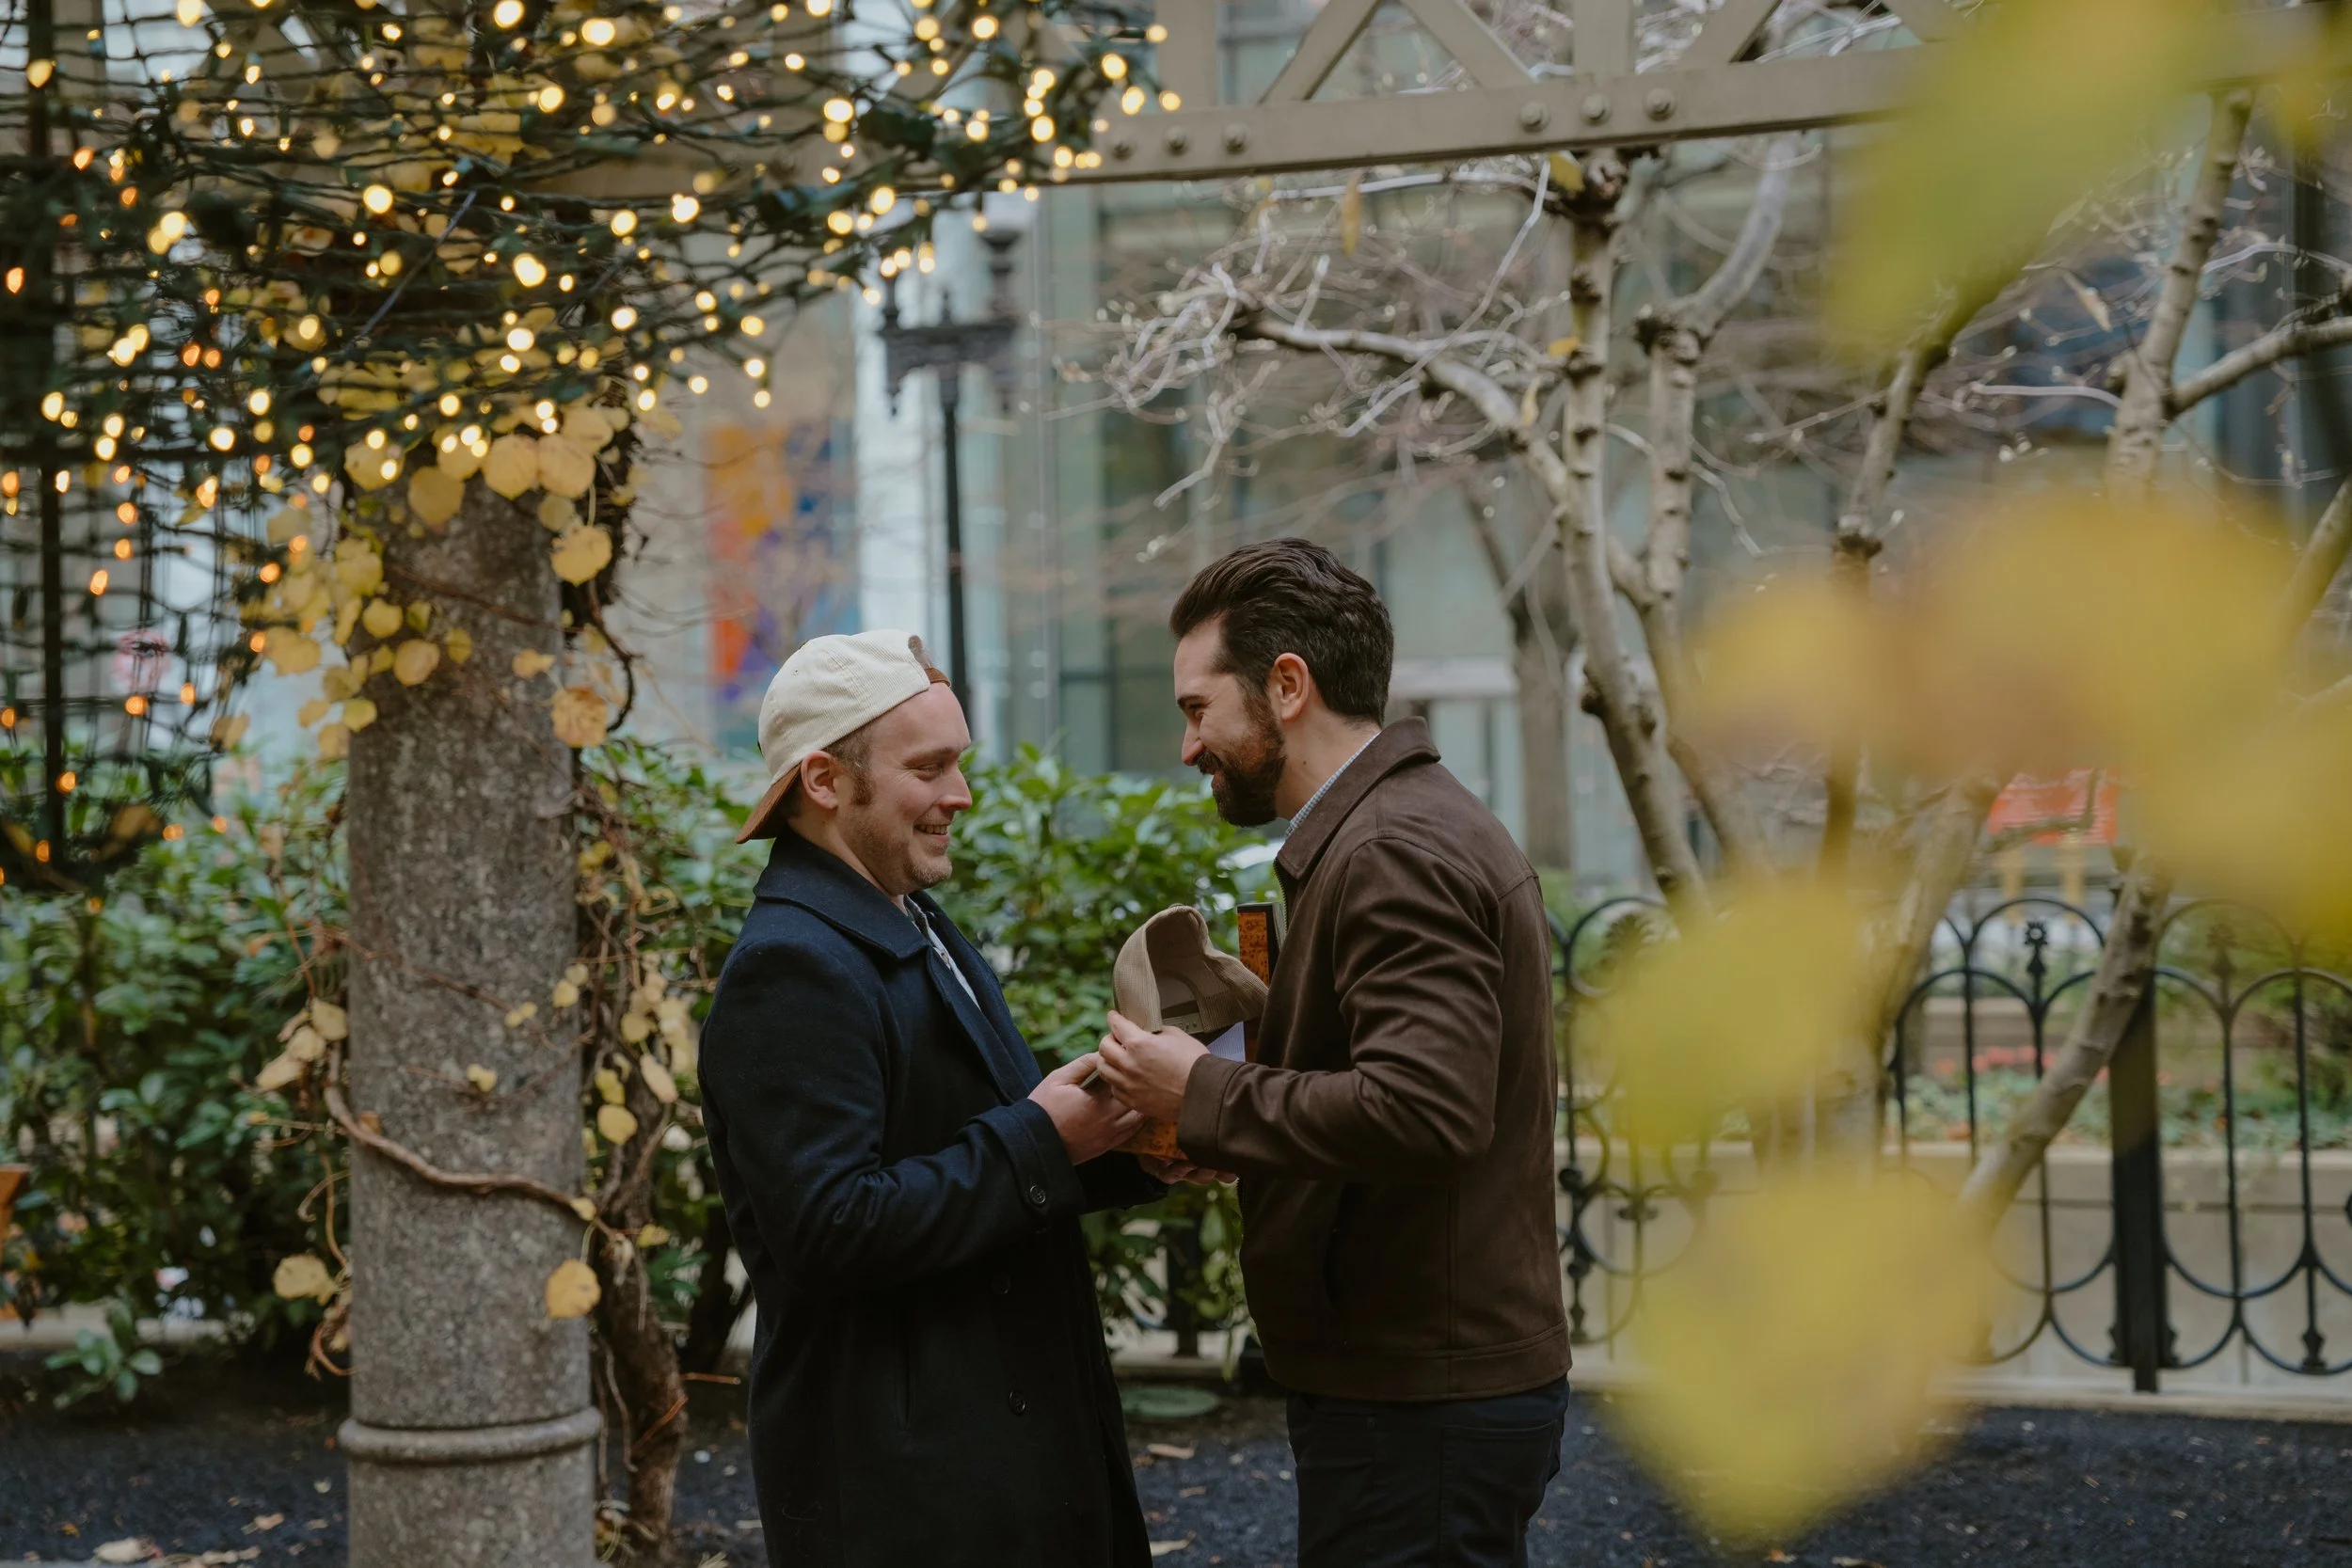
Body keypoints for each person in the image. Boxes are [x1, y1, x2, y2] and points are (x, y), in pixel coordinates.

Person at [1095, 540, 1572, 1568]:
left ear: (1287, 685)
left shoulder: (1390, 847)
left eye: (1196, 708)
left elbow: (1426, 1111)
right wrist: (1230, 1127)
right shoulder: (1380, 830)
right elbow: (1385, 1092)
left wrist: (1203, 1086)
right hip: (1414, 1388)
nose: (1190, 746)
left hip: (1419, 1402)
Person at [698, 628, 1168, 1568]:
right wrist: (1043, 1137)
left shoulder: (909, 913)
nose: (960, 794)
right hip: (908, 1491)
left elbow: (979, 1135)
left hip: (992, 1459)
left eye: (958, 761)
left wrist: (1147, 1136)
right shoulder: (789, 966)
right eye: (931, 766)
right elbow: (831, 1228)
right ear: (825, 781)